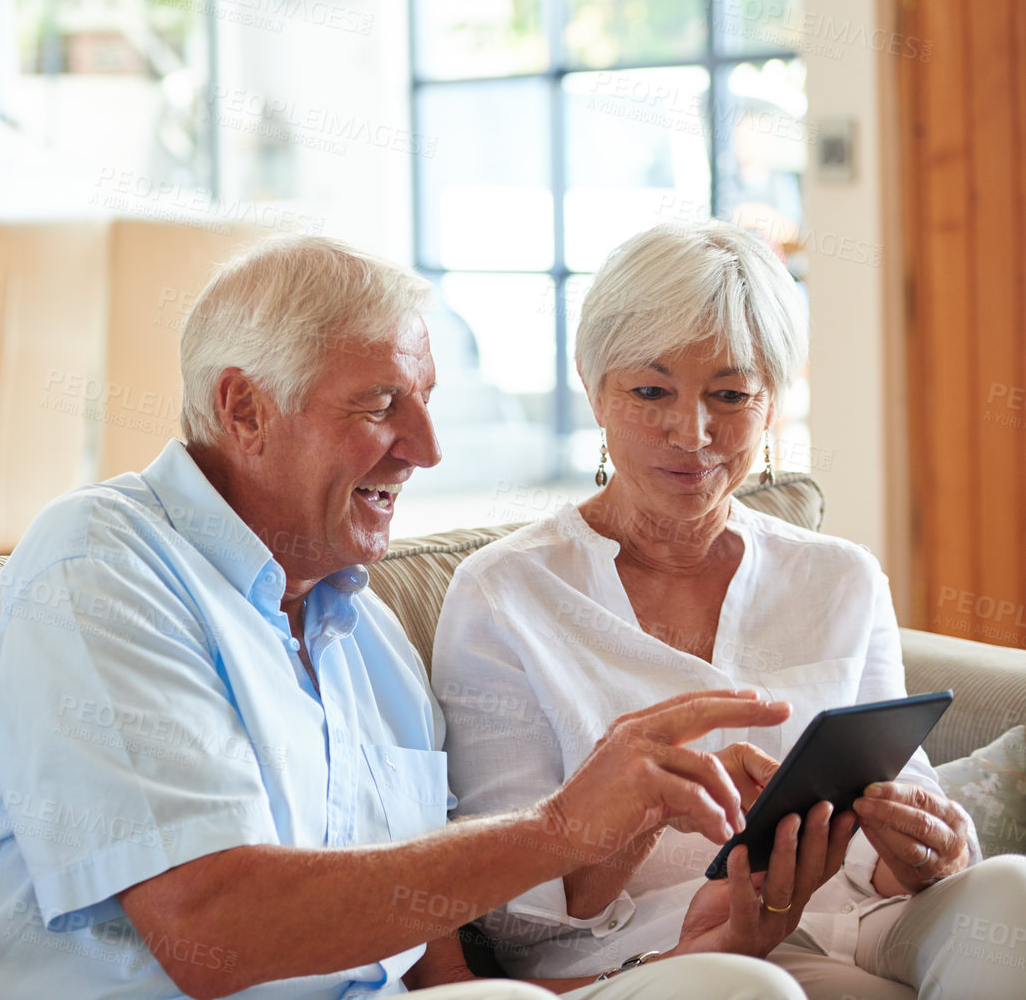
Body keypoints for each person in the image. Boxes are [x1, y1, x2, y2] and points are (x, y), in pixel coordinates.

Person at [0, 234, 819, 1000]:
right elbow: (211, 932)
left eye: (427, 403)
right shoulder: (99, 569)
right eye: (380, 405)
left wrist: (657, 972)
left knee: (734, 992)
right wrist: (565, 827)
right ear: (243, 408)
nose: (426, 448)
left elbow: (437, 975)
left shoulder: (365, 640)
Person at [433, 221, 1026, 999]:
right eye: (650, 391)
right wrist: (646, 808)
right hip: (658, 953)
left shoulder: (838, 576)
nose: (693, 433)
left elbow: (898, 830)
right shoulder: (504, 593)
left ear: (772, 399)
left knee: (1009, 889)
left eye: (730, 394)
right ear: (592, 384)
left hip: (860, 920)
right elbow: (513, 916)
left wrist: (933, 848)